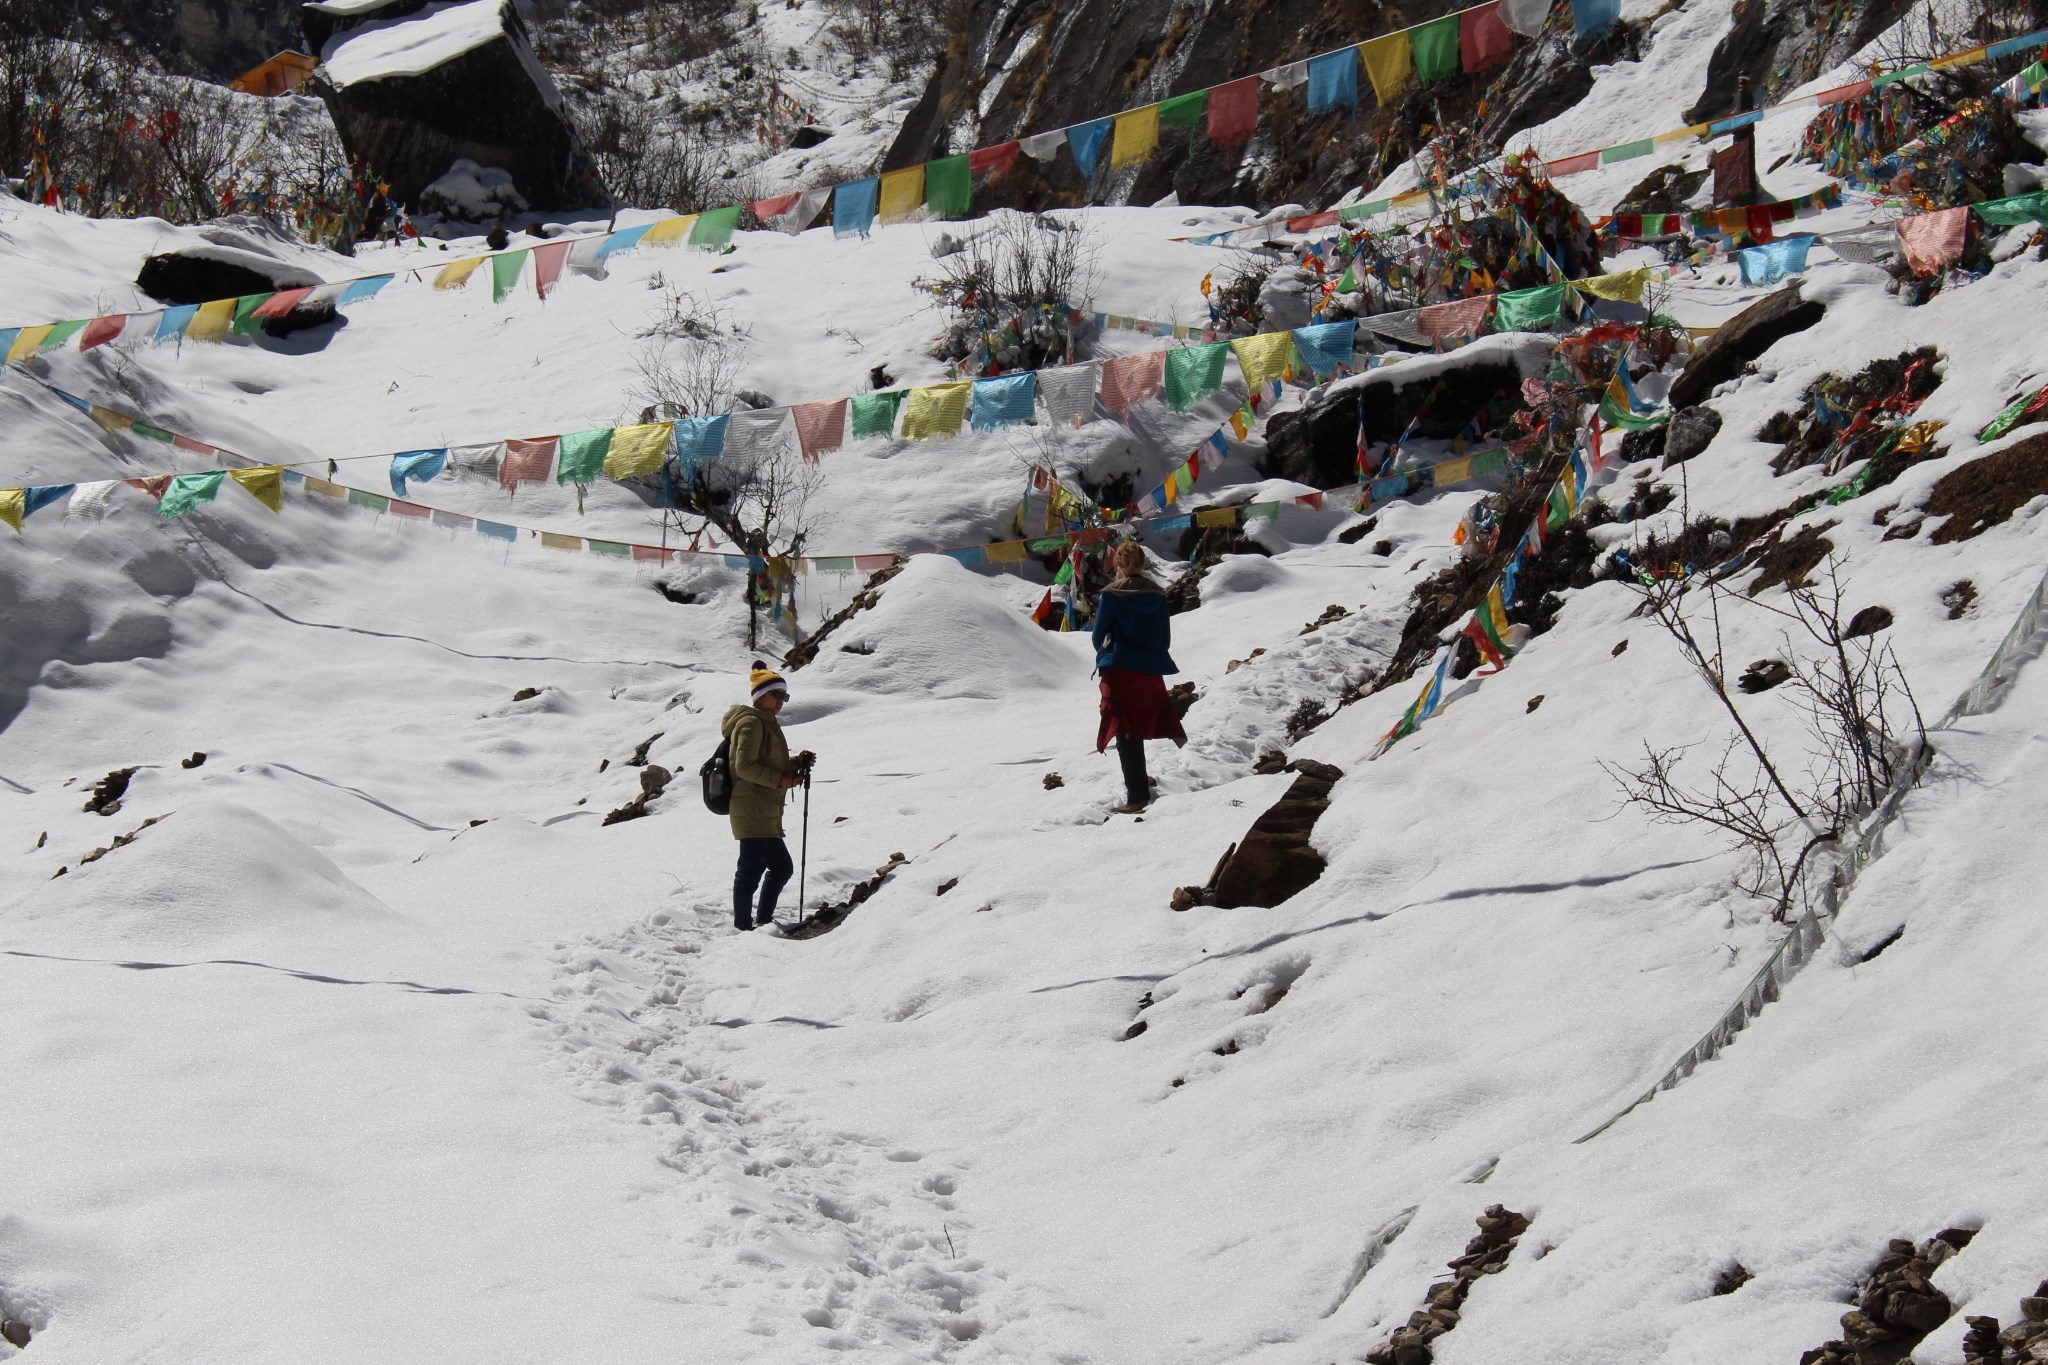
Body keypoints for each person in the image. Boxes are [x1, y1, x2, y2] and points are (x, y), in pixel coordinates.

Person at [1092, 541, 1186, 814]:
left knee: (1125, 729)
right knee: (1141, 723)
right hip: (1150, 671)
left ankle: (1137, 797)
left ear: (1119, 566)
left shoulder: (1111, 595)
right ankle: (1140, 782)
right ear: (1143, 565)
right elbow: (1164, 639)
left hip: (1120, 670)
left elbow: (1098, 638)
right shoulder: (1158, 595)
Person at [720, 661, 814, 931]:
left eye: (785, 696)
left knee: (781, 868)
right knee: (750, 872)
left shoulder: (766, 723)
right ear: (761, 696)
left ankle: (762, 921)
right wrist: (782, 780)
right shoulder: (751, 723)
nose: (782, 701)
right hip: (752, 808)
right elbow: (744, 766)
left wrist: (796, 762)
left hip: (766, 810)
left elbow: (768, 762)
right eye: (777, 695)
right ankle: (743, 927)